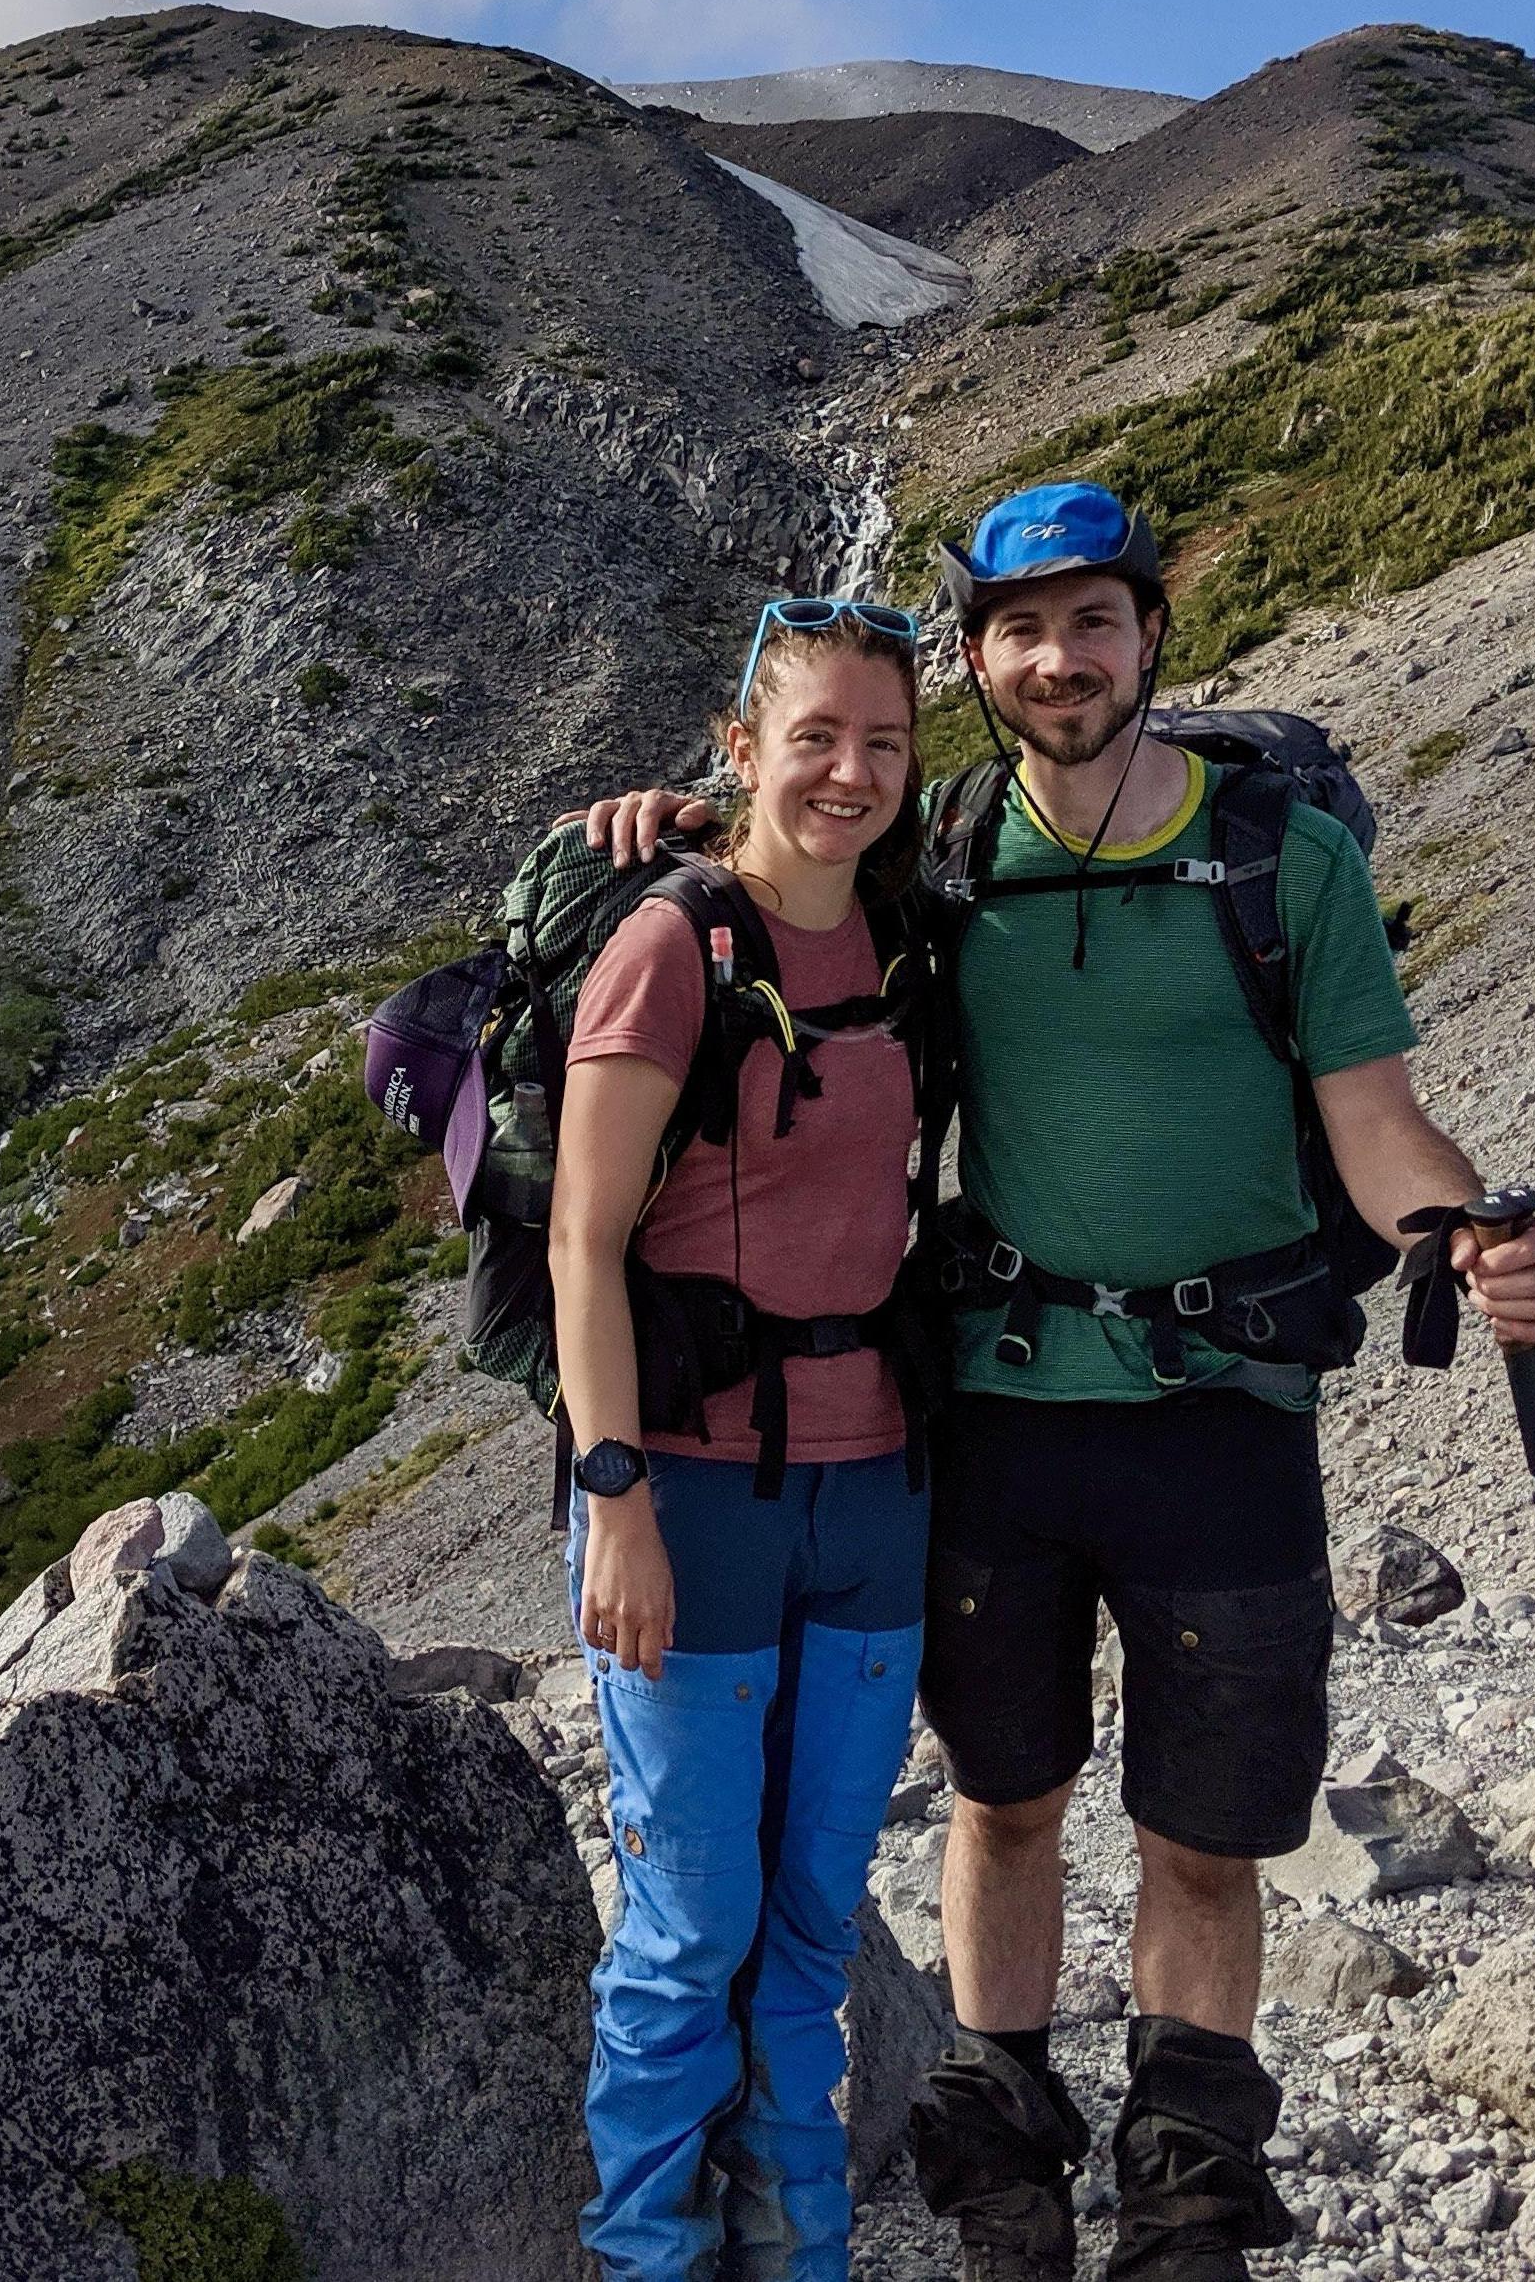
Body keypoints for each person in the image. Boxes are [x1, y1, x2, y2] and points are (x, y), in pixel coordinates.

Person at [582, 484, 1535, 2282]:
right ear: (977, 659)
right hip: (1006, 1400)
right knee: (1005, 1798)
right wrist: (669, 825)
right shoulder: (942, 850)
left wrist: (1465, 1239)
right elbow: (785, 872)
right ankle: (1009, 2169)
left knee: (1205, 1836)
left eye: (1094, 623)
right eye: (1021, 631)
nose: (1060, 661)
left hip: (1223, 1407)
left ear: (1145, 639)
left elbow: (1373, 1123)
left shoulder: (1290, 861)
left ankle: (1186, 2197)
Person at [555, 594, 940, 2282]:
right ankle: (647, 2260)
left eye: (882, 743)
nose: (848, 773)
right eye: (814, 738)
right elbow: (581, 1238)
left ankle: (804, 2257)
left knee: (804, 1925)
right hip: (688, 1496)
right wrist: (612, 1494)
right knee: (687, 1927)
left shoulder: (912, 938)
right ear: (740, 749)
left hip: (875, 1492)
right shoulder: (672, 946)